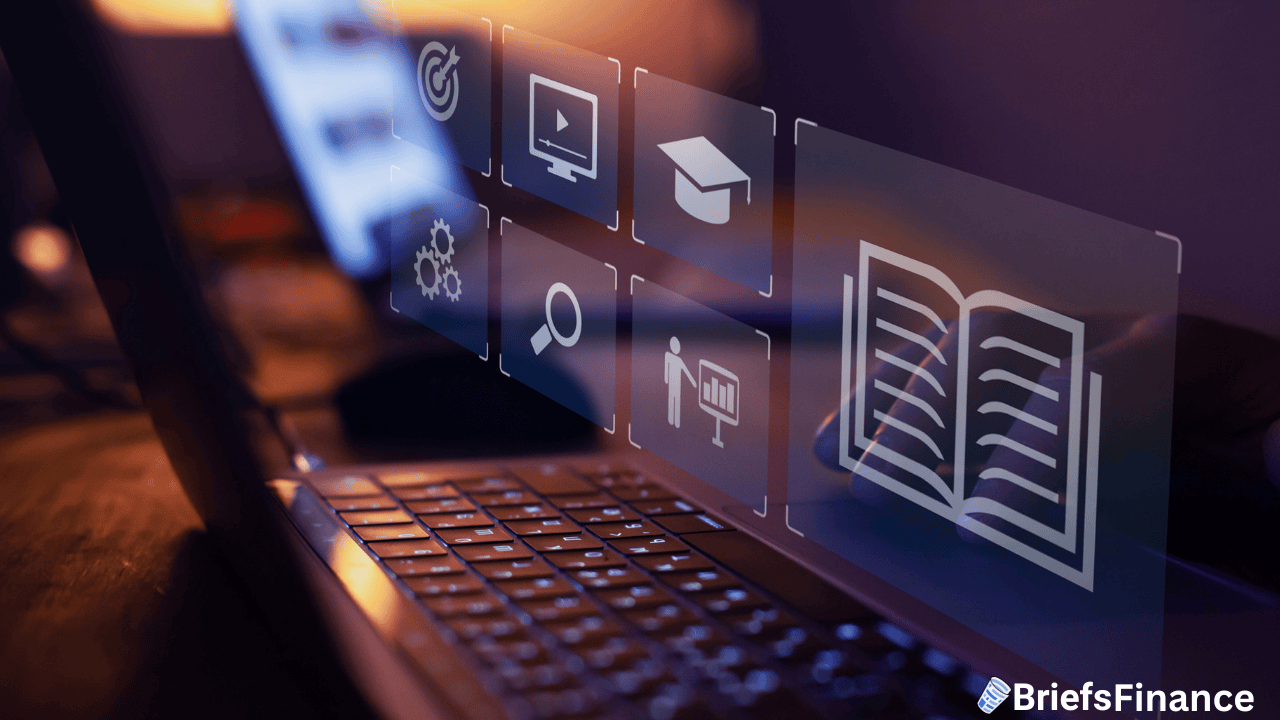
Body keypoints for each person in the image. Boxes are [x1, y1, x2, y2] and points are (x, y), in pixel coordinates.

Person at [664, 335, 696, 428]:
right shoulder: (668, 355)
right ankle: (671, 419)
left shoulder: (679, 360)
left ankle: (677, 422)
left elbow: (686, 371)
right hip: (672, 384)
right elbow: (667, 367)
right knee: (671, 400)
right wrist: (666, 379)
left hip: (678, 385)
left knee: (676, 401)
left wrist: (693, 382)